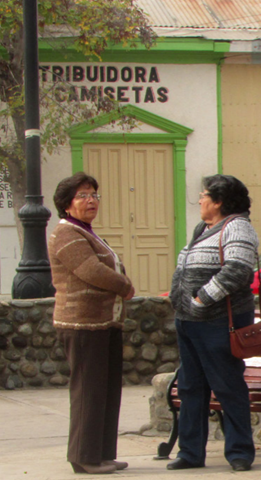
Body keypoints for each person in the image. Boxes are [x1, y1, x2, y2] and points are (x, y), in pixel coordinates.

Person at [167, 174, 260, 472]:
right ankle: (190, 453)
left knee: (228, 386)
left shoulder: (238, 227)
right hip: (190, 322)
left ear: (219, 201)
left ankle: (240, 452)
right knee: (191, 388)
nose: (200, 200)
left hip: (218, 322)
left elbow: (238, 270)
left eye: (204, 195)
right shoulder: (203, 228)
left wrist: (202, 298)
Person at [49, 172, 135, 475]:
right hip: (81, 324)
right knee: (88, 391)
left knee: (107, 390)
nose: (91, 201)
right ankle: (84, 457)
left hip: (104, 323)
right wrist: (124, 285)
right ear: (67, 203)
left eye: (94, 195)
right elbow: (90, 270)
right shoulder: (66, 233)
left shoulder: (87, 231)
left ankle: (101, 454)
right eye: (83, 196)